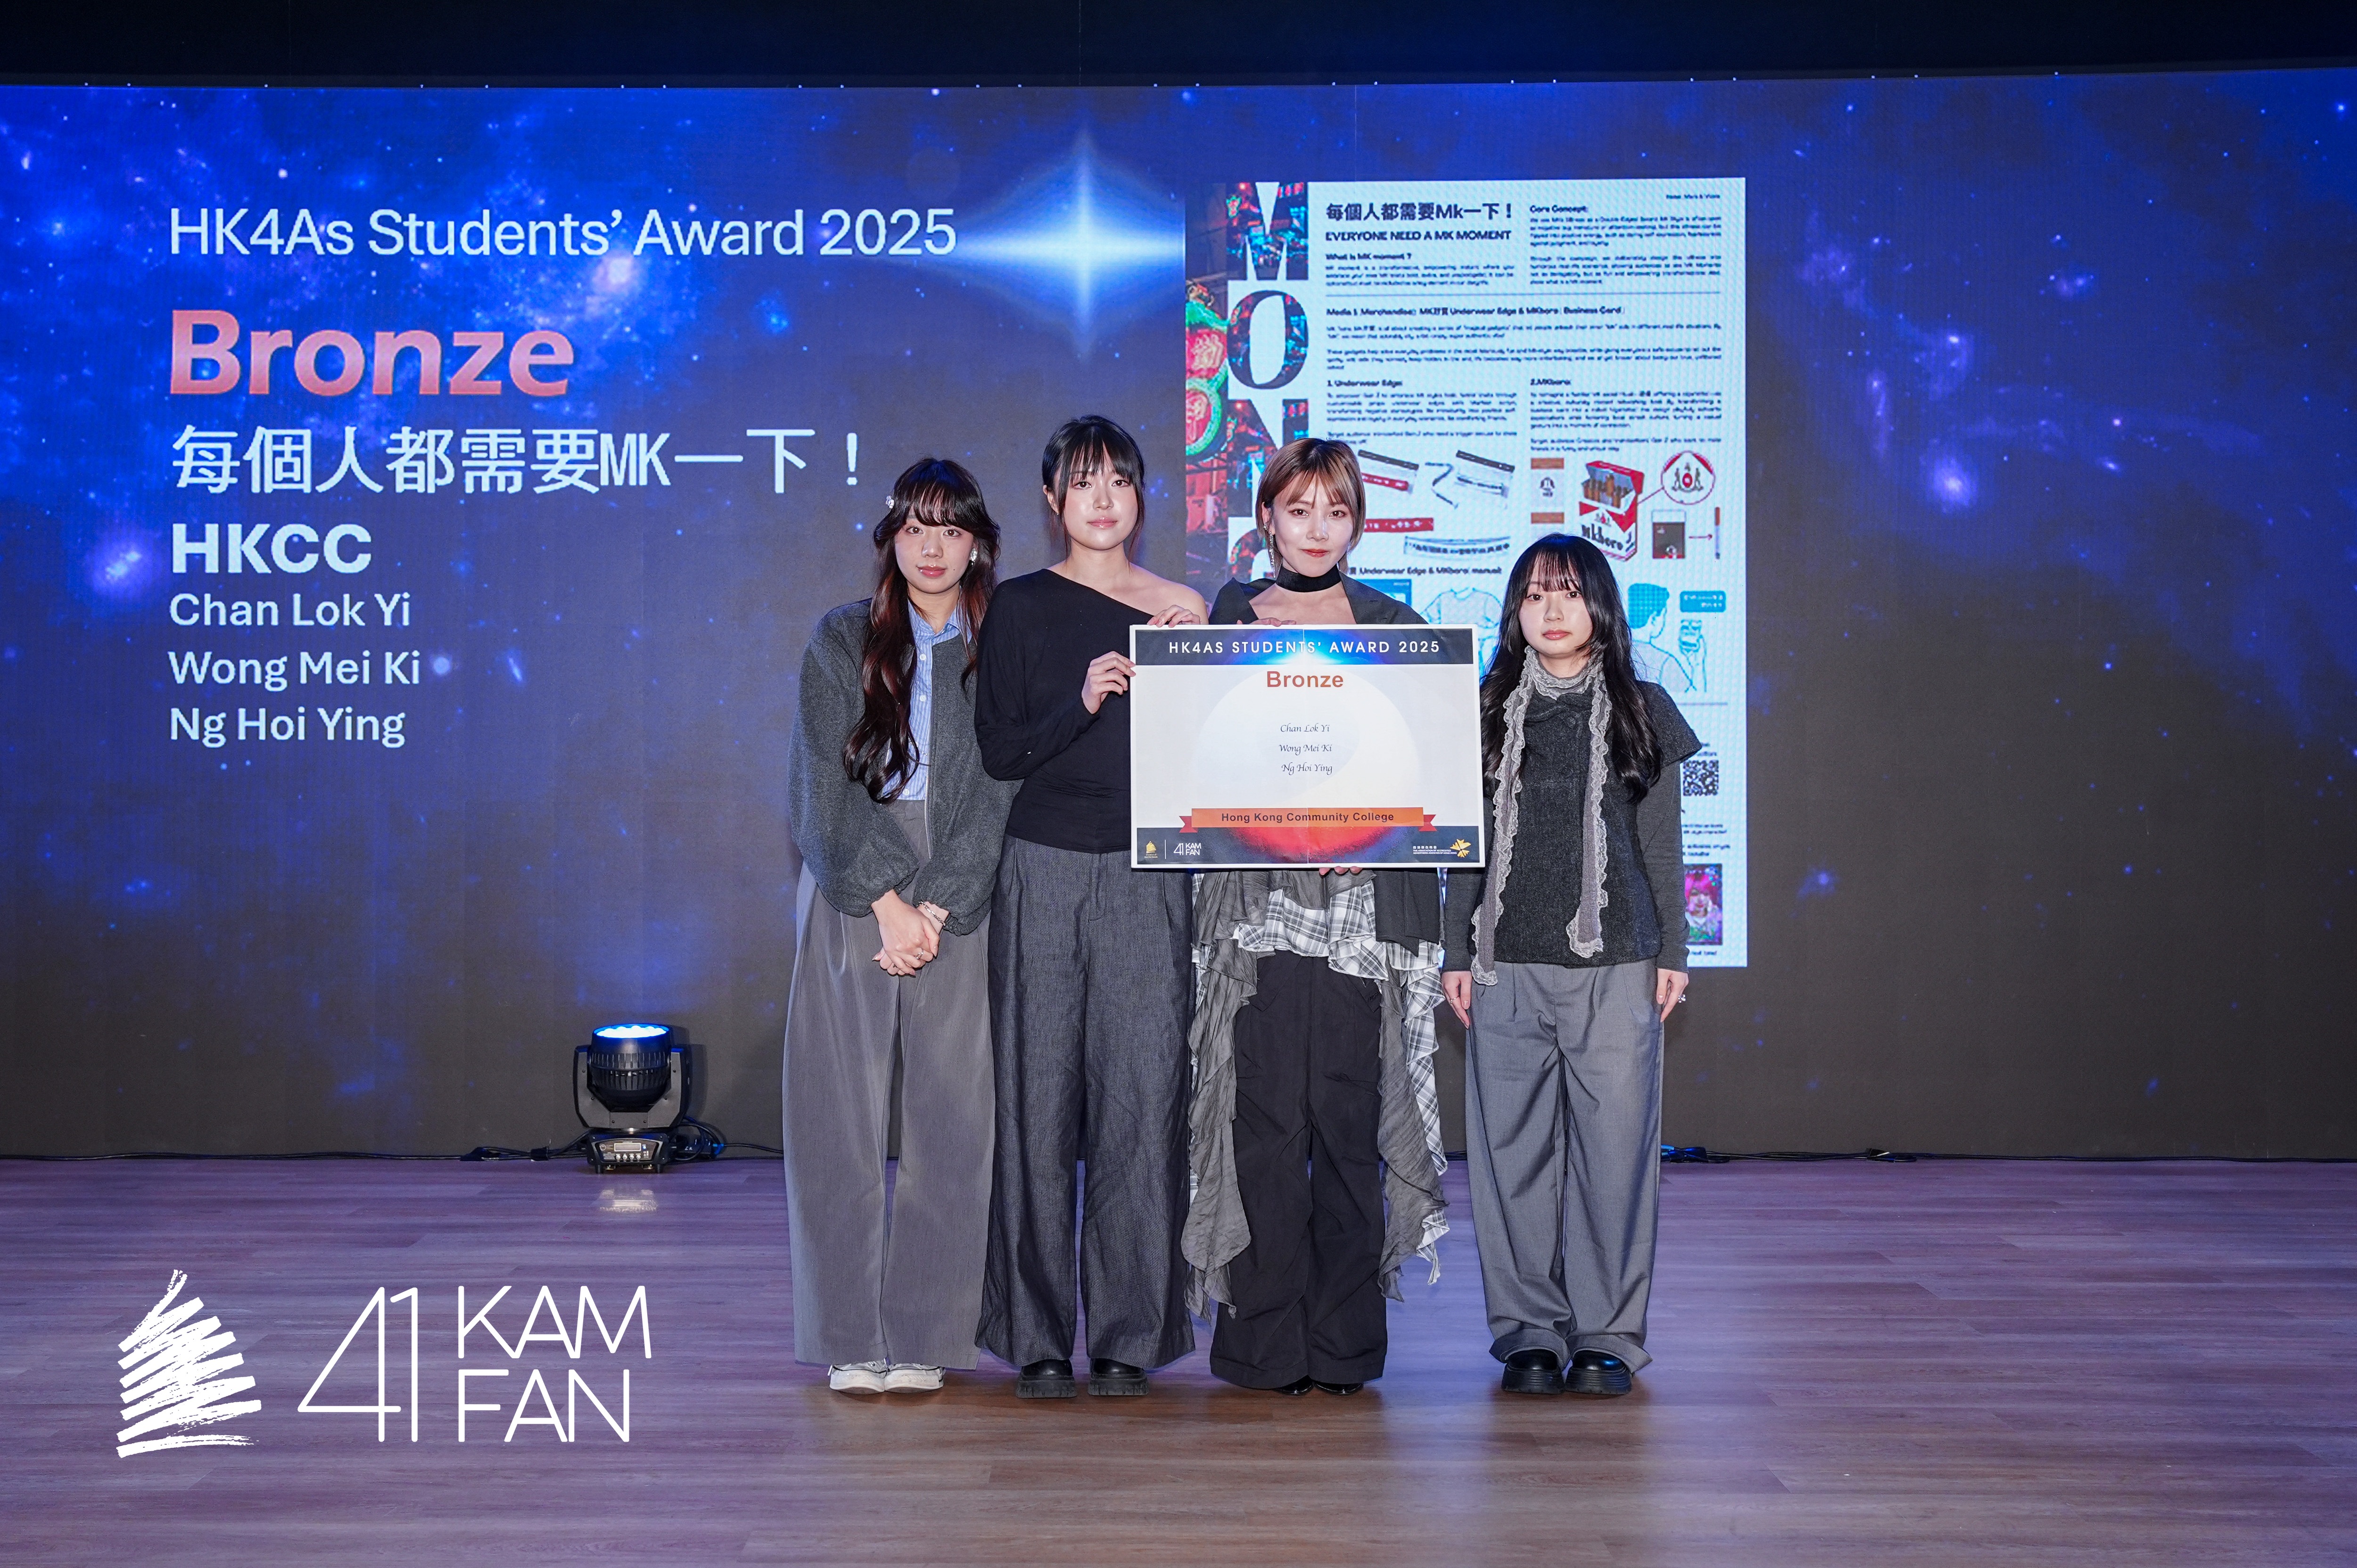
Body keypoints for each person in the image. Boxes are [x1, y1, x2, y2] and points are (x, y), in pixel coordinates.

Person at [1185, 438, 1450, 1396]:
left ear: (1357, 524)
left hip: (1362, 915)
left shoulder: (1397, 627)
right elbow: (1199, 758)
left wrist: (1384, 848)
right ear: (1267, 518)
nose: (1316, 529)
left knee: (1346, 1123)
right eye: (1298, 510)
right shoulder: (1226, 618)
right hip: (1254, 914)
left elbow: (1429, 774)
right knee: (1260, 1126)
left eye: (1335, 511)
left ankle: (1344, 1348)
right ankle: (1261, 1347)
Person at [973, 415, 1208, 1398]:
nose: (1102, 498)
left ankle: (1128, 1335)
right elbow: (1000, 750)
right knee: (1034, 1101)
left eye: (1119, 479)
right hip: (1043, 865)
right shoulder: (1019, 606)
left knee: (1143, 1101)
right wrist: (1083, 697)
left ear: (1142, 495)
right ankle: (1034, 1334)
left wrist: (1201, 677)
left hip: (1149, 872)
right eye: (1082, 482)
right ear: (1052, 500)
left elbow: (1210, 760)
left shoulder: (1183, 607)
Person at [1440, 534, 1701, 1398]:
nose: (1552, 610)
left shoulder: (1643, 707)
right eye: (1534, 595)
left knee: (1614, 1157)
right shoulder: (1484, 709)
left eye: (1569, 592)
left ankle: (1606, 1337)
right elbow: (1466, 846)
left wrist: (1674, 951)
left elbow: (1661, 845)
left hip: (1617, 963)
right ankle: (1528, 1333)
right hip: (1504, 962)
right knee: (1509, 1157)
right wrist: (1455, 952)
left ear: (1600, 606)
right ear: (1514, 612)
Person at [782, 458, 1018, 1396]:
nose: (932, 547)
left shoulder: (998, 646)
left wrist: (939, 902)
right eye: (917, 527)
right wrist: (885, 898)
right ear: (891, 538)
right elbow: (818, 781)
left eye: (952, 530)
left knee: (954, 1115)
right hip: (852, 880)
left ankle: (925, 1330)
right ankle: (847, 1332)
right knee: (835, 1114)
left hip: (960, 886)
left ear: (978, 545)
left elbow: (1001, 786)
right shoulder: (841, 637)